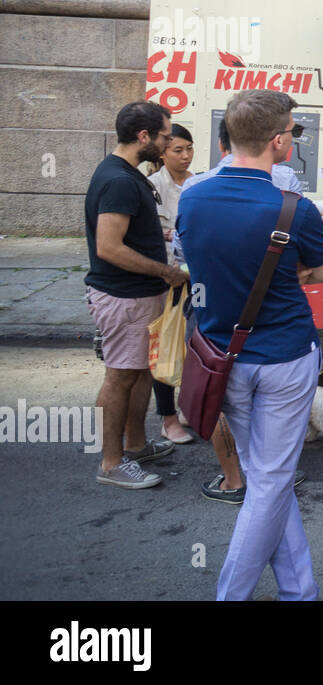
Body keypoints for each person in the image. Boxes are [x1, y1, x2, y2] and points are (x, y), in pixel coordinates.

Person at [178, 89, 323, 601]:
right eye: (293, 131)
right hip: (285, 357)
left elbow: (195, 261)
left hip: (221, 357)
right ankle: (233, 594)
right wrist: (291, 272)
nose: (294, 139)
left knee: (267, 477)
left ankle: (300, 590)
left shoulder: (193, 197)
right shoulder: (293, 206)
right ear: (276, 142)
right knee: (270, 484)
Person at [173, 118, 304, 505]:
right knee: (270, 397)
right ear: (274, 142)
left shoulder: (194, 188)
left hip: (210, 305)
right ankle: (274, 475)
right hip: (272, 306)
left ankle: (234, 480)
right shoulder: (286, 183)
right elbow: (304, 257)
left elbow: (183, 253)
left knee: (218, 390)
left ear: (220, 144)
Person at [84, 101, 187, 489]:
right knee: (121, 376)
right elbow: (109, 246)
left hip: (140, 295)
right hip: (125, 298)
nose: (167, 143)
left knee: (140, 371)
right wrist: (166, 272)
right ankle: (112, 462)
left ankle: (137, 445)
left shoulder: (127, 175)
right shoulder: (120, 181)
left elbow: (125, 235)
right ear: (143, 137)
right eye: (163, 136)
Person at [147, 122, 195, 445]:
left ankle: (189, 405)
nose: (186, 156)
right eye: (178, 150)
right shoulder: (150, 185)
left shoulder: (200, 183)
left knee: (194, 347)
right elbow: (149, 234)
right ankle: (168, 418)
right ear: (162, 154)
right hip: (164, 279)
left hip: (196, 278)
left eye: (189, 149)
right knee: (164, 346)